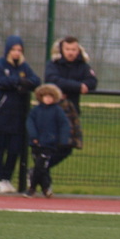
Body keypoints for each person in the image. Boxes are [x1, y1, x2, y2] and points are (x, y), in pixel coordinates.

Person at [0, 35, 41, 193]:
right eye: (14, 49)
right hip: (0, 116)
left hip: (17, 117)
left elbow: (36, 80)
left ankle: (7, 179)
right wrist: (19, 81)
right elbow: (0, 81)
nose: (16, 53)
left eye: (19, 50)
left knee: (14, 149)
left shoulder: (24, 66)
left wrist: (25, 82)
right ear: (8, 50)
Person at [44, 36, 95, 167]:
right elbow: (52, 80)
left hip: (71, 112)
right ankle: (41, 174)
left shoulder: (83, 66)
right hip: (52, 111)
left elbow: (92, 82)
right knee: (49, 145)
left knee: (67, 147)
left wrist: (74, 87)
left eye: (73, 49)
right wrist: (77, 86)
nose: (70, 52)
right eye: (67, 49)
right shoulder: (53, 64)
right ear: (62, 49)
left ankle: (38, 171)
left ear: (78, 50)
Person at [24, 84, 71, 198]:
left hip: (49, 144)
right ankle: (46, 188)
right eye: (46, 96)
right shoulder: (35, 110)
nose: (48, 99)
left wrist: (63, 140)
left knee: (40, 166)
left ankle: (32, 188)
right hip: (36, 144)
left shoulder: (57, 111)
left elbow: (64, 125)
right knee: (42, 168)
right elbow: (30, 124)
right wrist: (34, 137)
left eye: (51, 97)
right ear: (41, 97)